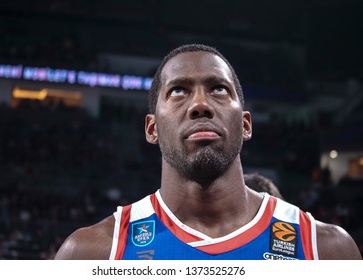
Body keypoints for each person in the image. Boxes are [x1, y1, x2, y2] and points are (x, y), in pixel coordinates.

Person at [55, 44, 362, 260]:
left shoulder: (327, 251)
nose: (200, 105)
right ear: (152, 128)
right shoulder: (91, 254)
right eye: (178, 91)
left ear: (245, 124)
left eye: (218, 89)